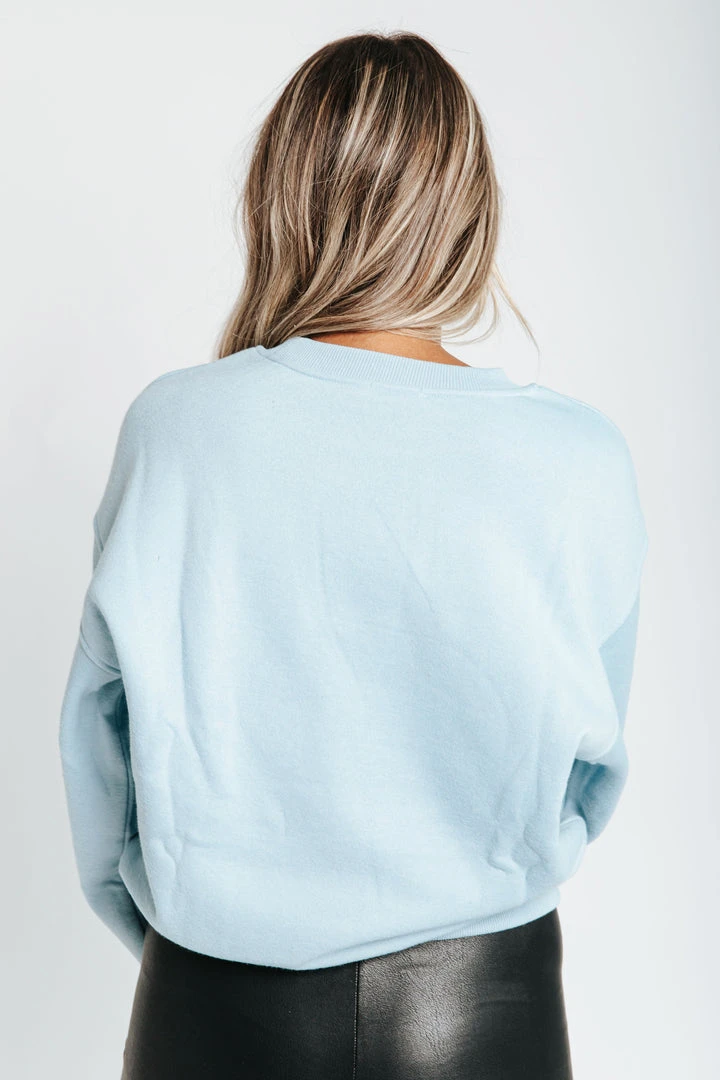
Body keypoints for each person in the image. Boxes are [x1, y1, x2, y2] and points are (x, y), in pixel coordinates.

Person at [58, 29, 648, 1080]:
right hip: (487, 1008)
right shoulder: (578, 458)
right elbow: (587, 771)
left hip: (212, 1007)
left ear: (278, 199)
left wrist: (191, 946)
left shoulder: (176, 431)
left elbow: (102, 748)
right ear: (467, 210)